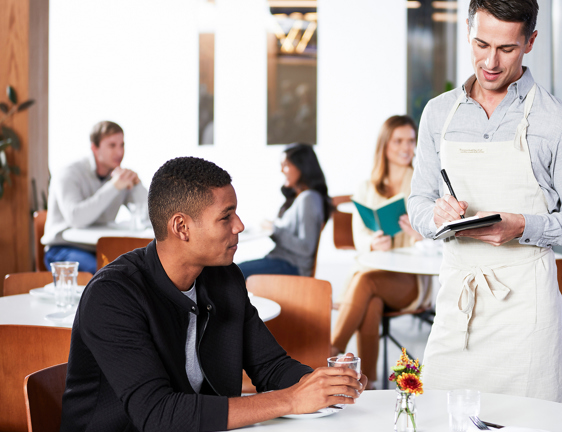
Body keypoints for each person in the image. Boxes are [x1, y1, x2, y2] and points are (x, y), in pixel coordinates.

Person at [60, 157, 367, 431]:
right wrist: (289, 401)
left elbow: (270, 366)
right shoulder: (113, 295)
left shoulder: (224, 277)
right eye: (226, 216)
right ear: (182, 227)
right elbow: (157, 415)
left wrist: (326, 384)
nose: (240, 225)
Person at [408, 0, 562, 401]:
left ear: (530, 42)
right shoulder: (438, 114)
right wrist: (435, 215)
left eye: (506, 49)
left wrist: (525, 226)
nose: (490, 61)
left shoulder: (558, 122)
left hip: (525, 308)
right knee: (439, 417)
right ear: (468, 30)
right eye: (481, 44)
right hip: (458, 302)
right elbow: (419, 200)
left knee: (528, 419)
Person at [330, 115, 432, 387]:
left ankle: (329, 351)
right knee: (371, 300)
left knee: (365, 281)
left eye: (411, 140)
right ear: (385, 145)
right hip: (375, 276)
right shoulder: (366, 187)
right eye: (398, 140)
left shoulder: (424, 185)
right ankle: (369, 383)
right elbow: (359, 236)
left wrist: (418, 235)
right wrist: (374, 243)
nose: (406, 147)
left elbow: (439, 240)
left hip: (409, 282)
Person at [41, 120, 147, 274]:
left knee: (137, 270)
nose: (119, 152)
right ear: (94, 148)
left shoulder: (119, 176)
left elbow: (148, 217)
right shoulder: (69, 173)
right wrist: (113, 187)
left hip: (100, 248)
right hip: (64, 247)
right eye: (112, 145)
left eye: (122, 145)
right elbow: (76, 219)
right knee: (103, 274)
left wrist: (137, 185)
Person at [238, 143, 331, 278]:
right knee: (230, 271)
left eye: (286, 165)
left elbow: (306, 248)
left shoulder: (309, 198)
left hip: (291, 266)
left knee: (230, 274)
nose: (282, 170)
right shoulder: (299, 198)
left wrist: (274, 229)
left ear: (302, 167)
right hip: (282, 262)